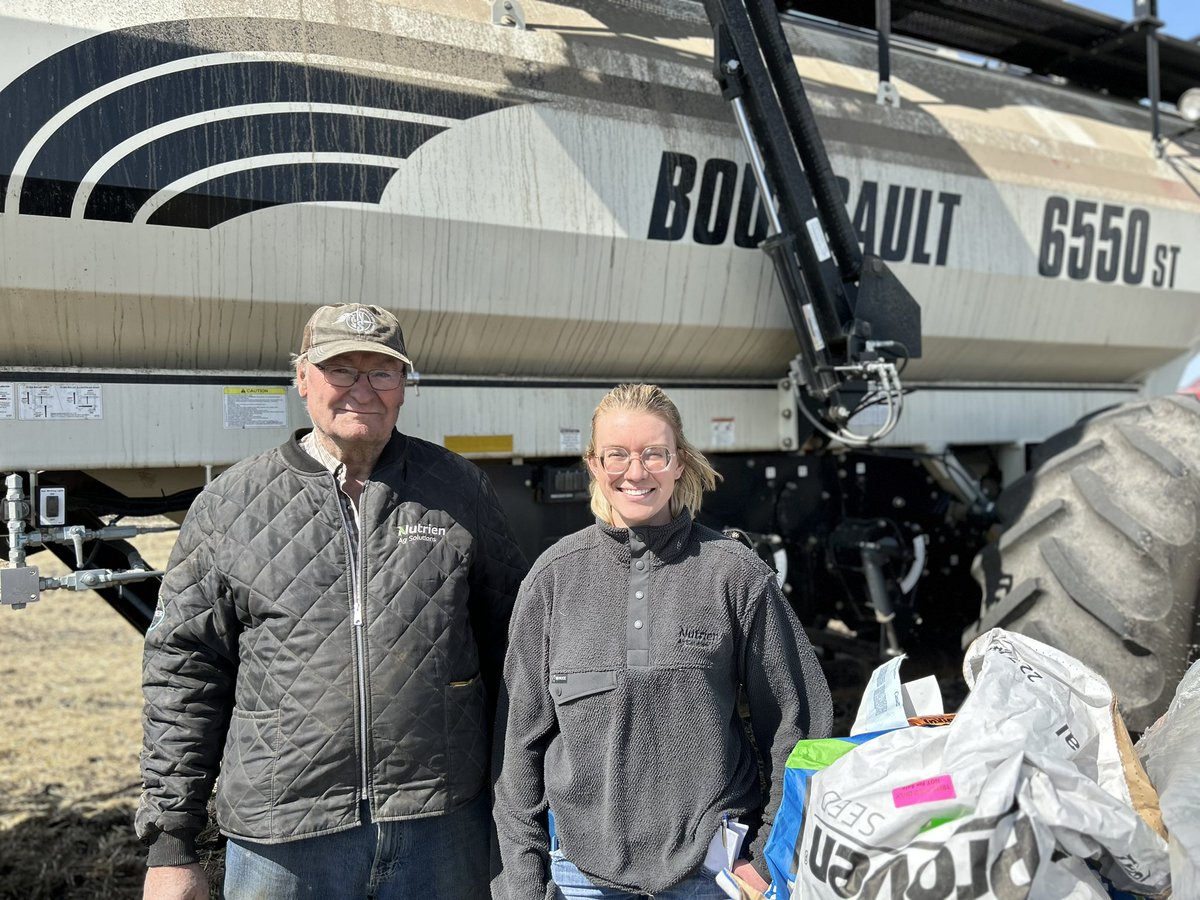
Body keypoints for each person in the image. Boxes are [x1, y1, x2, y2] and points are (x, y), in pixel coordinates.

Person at [136, 303, 526, 900]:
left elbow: (515, 653)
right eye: (341, 370)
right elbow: (183, 673)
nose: (362, 390)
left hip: (439, 826)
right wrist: (171, 842)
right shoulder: (230, 505)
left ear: (404, 386)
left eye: (382, 373)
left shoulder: (457, 489)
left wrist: (525, 804)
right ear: (302, 379)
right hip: (285, 838)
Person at [491, 383, 833, 900]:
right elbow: (518, 749)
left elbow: (800, 723)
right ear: (593, 464)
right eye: (617, 456)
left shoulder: (733, 575)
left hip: (712, 875)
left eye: (654, 454)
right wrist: (521, 881)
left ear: (680, 462)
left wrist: (769, 859)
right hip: (578, 878)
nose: (636, 472)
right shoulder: (553, 579)